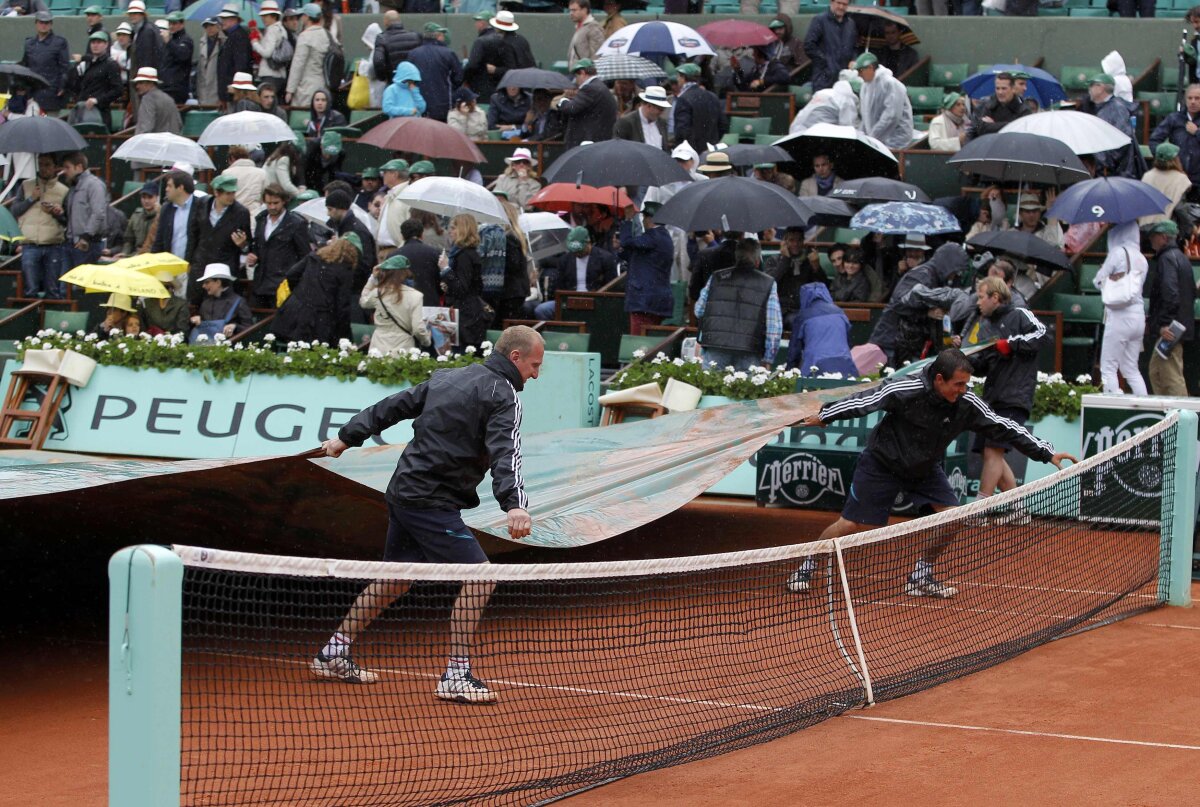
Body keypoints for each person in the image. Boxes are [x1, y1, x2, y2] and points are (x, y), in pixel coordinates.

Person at [311, 325, 542, 702]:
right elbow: (506, 453)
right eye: (534, 365)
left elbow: (390, 407)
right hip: (431, 500)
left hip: (404, 491)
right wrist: (514, 504)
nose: (535, 374)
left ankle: (333, 652)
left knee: (395, 579)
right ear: (515, 358)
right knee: (481, 577)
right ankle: (456, 674)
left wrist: (344, 438)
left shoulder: (448, 377)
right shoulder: (505, 394)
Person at [786, 349, 1074, 597]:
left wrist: (1045, 452)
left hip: (924, 468)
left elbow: (1005, 426)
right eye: (958, 384)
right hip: (882, 463)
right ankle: (808, 563)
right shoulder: (905, 389)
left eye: (966, 384)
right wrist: (825, 415)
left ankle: (921, 575)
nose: (963, 389)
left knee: (952, 518)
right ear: (939, 380)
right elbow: (864, 400)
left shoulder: (966, 403)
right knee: (851, 526)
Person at [967, 277, 1049, 508]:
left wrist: (1010, 344)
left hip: (1015, 395)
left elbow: (1042, 335)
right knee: (991, 452)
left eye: (981, 297)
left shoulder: (1021, 314)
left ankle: (979, 508)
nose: (978, 303)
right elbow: (984, 366)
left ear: (995, 297)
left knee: (993, 449)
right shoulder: (985, 326)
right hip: (992, 397)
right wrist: (967, 359)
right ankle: (1017, 508)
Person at [869, 243, 966, 366]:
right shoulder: (922, 275)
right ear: (948, 265)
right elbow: (899, 304)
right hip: (892, 342)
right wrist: (927, 313)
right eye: (955, 271)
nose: (956, 275)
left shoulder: (936, 278)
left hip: (908, 344)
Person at [694, 238, 782, 371]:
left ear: (737, 257)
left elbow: (699, 310)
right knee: (745, 391)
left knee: (711, 390)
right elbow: (774, 326)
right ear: (758, 261)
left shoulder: (716, 277)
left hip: (716, 346)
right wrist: (768, 358)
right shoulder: (768, 283)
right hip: (750, 350)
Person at [1093, 221, 1148, 395]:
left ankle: (1112, 407)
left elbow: (1097, 282)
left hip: (1119, 316)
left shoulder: (1117, 253)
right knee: (1131, 369)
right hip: (1138, 316)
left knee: (1108, 367)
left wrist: (1105, 273)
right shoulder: (1142, 258)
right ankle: (1145, 406)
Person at [273, 233, 358, 345]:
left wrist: (299, 295)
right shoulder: (345, 269)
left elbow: (291, 274)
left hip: (293, 314)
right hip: (319, 321)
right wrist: (346, 337)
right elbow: (342, 305)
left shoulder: (314, 256)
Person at [1143, 220, 1196, 396]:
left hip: (1171, 330)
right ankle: (1164, 415)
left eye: (1154, 236)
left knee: (1171, 377)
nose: (1151, 239)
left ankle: (1184, 418)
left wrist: (1164, 325)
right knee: (1156, 373)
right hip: (1177, 326)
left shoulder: (1167, 259)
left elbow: (1171, 295)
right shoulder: (1181, 257)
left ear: (1164, 238)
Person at [246, 184, 311, 308]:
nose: (272, 207)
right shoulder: (261, 220)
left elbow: (304, 255)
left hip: (283, 284)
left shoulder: (296, 223)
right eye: (268, 203)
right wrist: (253, 257)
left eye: (276, 203)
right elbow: (257, 248)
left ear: (284, 201)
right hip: (261, 283)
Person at [12, 154, 67, 299]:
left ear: (56, 168)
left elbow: (67, 220)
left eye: (47, 165)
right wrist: (31, 199)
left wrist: (57, 213)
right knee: (30, 290)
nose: (43, 168)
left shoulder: (64, 190)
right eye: (41, 164)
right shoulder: (26, 186)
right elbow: (15, 210)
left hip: (53, 245)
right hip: (29, 244)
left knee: (52, 290)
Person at [190, 175, 251, 305]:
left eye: (233, 193)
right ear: (216, 192)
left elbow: (248, 245)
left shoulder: (241, 212)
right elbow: (193, 234)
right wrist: (190, 261)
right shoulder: (201, 204)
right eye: (227, 193)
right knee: (196, 307)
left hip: (224, 271)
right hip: (200, 266)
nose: (231, 197)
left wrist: (243, 245)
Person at [534, 226, 617, 319]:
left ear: (588, 243)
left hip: (595, 300)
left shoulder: (605, 258)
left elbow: (612, 286)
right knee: (542, 310)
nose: (577, 253)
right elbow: (559, 286)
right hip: (570, 299)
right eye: (574, 251)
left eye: (580, 250)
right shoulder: (565, 260)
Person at [620, 203, 675, 334]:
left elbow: (627, 242)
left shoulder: (653, 236)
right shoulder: (661, 237)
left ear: (650, 219)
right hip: (653, 300)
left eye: (644, 217)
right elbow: (639, 258)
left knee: (639, 344)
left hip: (644, 301)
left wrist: (628, 220)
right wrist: (622, 250)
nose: (643, 221)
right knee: (647, 342)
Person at [360, 254, 431, 355]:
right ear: (405, 273)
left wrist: (372, 278)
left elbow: (363, 301)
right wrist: (426, 341)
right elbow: (418, 329)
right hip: (403, 347)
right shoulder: (416, 296)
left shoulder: (378, 293)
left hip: (378, 347)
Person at [786, 282, 858, 377]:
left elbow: (794, 350)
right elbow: (848, 343)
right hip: (845, 365)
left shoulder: (803, 317)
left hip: (814, 367)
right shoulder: (840, 312)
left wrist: (789, 372)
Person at [153, 170, 205, 297]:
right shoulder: (166, 208)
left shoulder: (201, 206)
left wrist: (193, 265)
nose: (166, 189)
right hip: (169, 269)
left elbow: (202, 240)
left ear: (181, 188)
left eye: (170, 186)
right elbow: (159, 240)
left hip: (190, 270)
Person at [441, 214, 489, 350]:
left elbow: (462, 288)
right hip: (467, 313)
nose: (450, 231)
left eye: (453, 227)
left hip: (466, 316)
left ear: (463, 229)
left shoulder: (464, 255)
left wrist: (445, 270)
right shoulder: (466, 253)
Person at [765, 227, 828, 321]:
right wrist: (785, 259)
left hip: (804, 309)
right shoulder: (774, 260)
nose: (795, 244)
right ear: (784, 242)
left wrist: (817, 268)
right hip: (780, 310)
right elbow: (770, 283)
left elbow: (822, 287)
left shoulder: (808, 261)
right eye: (791, 240)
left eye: (799, 240)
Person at [553, 60, 618, 149]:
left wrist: (563, 100)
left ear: (583, 73)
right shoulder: (600, 86)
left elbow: (571, 108)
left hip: (588, 144)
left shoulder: (590, 88)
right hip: (597, 142)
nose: (576, 80)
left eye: (576, 76)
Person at [855, 52, 914, 151]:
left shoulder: (891, 84)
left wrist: (873, 137)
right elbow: (866, 116)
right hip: (876, 141)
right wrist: (862, 137)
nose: (859, 75)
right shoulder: (865, 87)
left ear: (870, 67)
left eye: (861, 71)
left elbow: (891, 116)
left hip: (896, 140)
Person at [406, 21, 462, 123]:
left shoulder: (413, 54)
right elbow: (458, 78)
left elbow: (409, 80)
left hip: (419, 106)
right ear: (438, 35)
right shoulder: (448, 53)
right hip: (443, 106)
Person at [325, 187, 376, 297]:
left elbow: (365, 263)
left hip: (356, 291)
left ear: (340, 208)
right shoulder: (343, 227)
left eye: (330, 209)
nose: (328, 214)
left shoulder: (356, 230)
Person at [65, 31, 121, 132]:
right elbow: (76, 88)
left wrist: (97, 100)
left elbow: (118, 90)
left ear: (106, 44)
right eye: (93, 42)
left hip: (100, 113)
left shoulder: (111, 65)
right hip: (83, 112)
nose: (95, 45)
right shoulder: (88, 64)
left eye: (99, 42)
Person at [1148, 83, 1200, 192]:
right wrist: (1167, 161)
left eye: (1197, 98)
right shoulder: (1174, 119)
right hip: (1176, 176)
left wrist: (1197, 132)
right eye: (1190, 98)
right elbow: (1154, 140)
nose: (1193, 102)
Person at [60, 152, 107, 272]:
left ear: (79, 167)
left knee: (79, 288)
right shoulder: (73, 187)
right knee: (66, 286)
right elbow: (72, 217)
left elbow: (98, 213)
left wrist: (86, 237)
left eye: (67, 167)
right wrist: (59, 213)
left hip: (87, 244)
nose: (64, 171)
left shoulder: (94, 185)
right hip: (71, 242)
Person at [1087, 74, 1139, 178]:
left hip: (1115, 174)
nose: (1089, 89)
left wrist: (1103, 162)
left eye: (1091, 85)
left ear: (1101, 87)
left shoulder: (1117, 109)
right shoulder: (1105, 109)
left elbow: (1122, 140)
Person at [19, 11, 68, 113]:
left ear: (51, 24)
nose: (44, 25)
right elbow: (25, 65)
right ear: (36, 23)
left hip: (51, 92)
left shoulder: (59, 42)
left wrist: (62, 86)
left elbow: (64, 67)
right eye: (41, 22)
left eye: (47, 23)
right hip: (33, 92)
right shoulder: (29, 43)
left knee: (50, 124)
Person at [803, 0, 857, 93]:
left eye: (844, 4)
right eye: (838, 3)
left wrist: (853, 59)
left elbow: (854, 47)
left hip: (844, 80)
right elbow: (809, 45)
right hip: (823, 79)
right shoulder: (819, 20)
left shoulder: (851, 24)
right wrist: (825, 62)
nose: (841, 7)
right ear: (831, 2)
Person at [672, 63, 727, 152]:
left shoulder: (683, 100)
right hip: (711, 150)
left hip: (690, 152)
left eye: (679, 76)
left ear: (683, 77)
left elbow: (682, 131)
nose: (677, 79)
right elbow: (723, 125)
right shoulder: (713, 97)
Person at [189, 263, 252, 341]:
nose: (203, 286)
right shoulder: (206, 302)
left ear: (218, 282)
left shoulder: (239, 302)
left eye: (207, 282)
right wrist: (196, 320)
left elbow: (249, 329)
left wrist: (235, 327)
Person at [285, 3, 330, 108]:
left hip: (306, 87)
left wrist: (290, 90)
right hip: (322, 84)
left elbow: (298, 65)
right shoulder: (326, 34)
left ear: (307, 17)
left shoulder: (305, 36)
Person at [463, 10, 512, 101]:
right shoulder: (505, 40)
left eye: (477, 21)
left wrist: (464, 78)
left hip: (481, 89)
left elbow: (472, 65)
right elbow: (510, 66)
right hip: (502, 89)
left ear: (482, 23)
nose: (476, 25)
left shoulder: (480, 41)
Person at [967, 72, 1030, 141]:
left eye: (1004, 88)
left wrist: (993, 124)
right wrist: (1010, 124)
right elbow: (980, 128)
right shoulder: (987, 104)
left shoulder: (1023, 109)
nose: (1000, 92)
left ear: (1013, 89)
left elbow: (1019, 130)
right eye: (997, 88)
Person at [1139, 143, 1191, 225]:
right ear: (1175, 159)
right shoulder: (1181, 178)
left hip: (1145, 225)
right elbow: (1180, 209)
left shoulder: (1147, 175)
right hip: (1166, 229)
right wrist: (1192, 228)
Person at [788, 79, 859, 135]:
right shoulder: (847, 100)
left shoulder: (824, 92)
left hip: (797, 128)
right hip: (815, 134)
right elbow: (848, 128)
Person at [397, 217, 442, 303]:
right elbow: (440, 282)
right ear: (422, 235)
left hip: (403, 304)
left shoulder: (394, 256)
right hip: (429, 302)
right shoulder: (434, 253)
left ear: (402, 236)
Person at [371, 10, 421, 86]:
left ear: (385, 22)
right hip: (413, 83)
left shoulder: (382, 39)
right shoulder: (415, 37)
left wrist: (383, 78)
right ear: (399, 20)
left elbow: (378, 61)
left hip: (393, 81)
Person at [216, 3, 252, 107]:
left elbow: (241, 65)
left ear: (234, 19)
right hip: (232, 91)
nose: (223, 21)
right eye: (223, 18)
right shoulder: (234, 36)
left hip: (235, 92)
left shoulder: (239, 37)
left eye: (225, 18)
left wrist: (235, 89)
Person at [613, 86, 671, 150]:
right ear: (649, 106)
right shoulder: (626, 123)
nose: (662, 113)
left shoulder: (662, 123)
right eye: (660, 109)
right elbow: (618, 149)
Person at [132, 67, 182, 136]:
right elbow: (179, 123)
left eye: (141, 83)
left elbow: (146, 127)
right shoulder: (168, 98)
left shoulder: (147, 99)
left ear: (151, 83)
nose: (137, 86)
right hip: (173, 142)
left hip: (154, 144)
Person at [221, 145, 268, 217]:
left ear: (232, 158)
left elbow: (223, 198)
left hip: (233, 216)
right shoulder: (261, 173)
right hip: (255, 216)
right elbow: (265, 196)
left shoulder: (226, 173)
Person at [252, 0, 288, 92]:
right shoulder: (281, 29)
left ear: (273, 16)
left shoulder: (272, 30)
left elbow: (267, 53)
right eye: (262, 16)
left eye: (265, 16)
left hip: (270, 74)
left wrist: (254, 42)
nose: (263, 18)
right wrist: (260, 36)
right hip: (280, 75)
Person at [118, 181, 160, 258]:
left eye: (150, 197)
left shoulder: (161, 216)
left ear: (157, 198)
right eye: (143, 197)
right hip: (135, 255)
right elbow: (129, 240)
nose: (146, 201)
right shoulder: (136, 216)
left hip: (154, 256)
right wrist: (125, 252)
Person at [159, 11, 193, 104]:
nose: (171, 26)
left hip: (177, 88)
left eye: (174, 23)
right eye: (170, 23)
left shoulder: (186, 39)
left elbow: (183, 56)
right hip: (166, 86)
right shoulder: (170, 40)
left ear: (182, 24)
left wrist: (169, 43)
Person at [265, 136, 305, 200]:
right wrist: (301, 195)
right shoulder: (283, 159)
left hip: (269, 191)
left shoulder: (274, 156)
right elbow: (286, 185)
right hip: (272, 193)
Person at [567, 0, 604, 69]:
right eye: (570, 10)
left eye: (574, 10)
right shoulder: (580, 27)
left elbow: (596, 57)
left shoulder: (593, 28)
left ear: (584, 10)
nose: (571, 13)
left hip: (585, 74)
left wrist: (587, 73)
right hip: (577, 73)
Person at [195, 17, 224, 106]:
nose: (209, 28)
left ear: (218, 26)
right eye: (206, 26)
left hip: (217, 88)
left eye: (212, 25)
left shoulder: (224, 42)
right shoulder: (202, 42)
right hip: (203, 89)